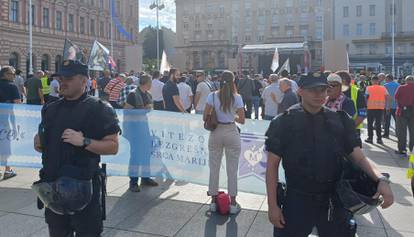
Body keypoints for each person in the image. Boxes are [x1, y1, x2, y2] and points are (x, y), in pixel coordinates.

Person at [265, 73, 394, 237]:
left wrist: (381, 179)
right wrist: (272, 205)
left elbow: (359, 157)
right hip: (297, 199)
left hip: (333, 199)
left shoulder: (340, 120)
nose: (319, 95)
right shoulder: (283, 122)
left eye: (323, 89)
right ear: (301, 91)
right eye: (313, 90)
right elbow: (272, 166)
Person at [33, 60, 121, 236]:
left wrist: (85, 142)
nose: (62, 82)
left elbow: (113, 146)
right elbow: (41, 143)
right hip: (53, 191)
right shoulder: (50, 108)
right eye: (60, 77)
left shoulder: (99, 109)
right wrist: (40, 142)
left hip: (84, 191)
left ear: (83, 80)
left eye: (69, 78)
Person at [203, 70, 245, 214]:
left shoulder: (212, 96)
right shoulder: (237, 97)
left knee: (214, 168)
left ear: (221, 80)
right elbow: (243, 120)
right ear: (233, 81)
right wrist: (232, 116)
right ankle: (233, 204)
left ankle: (213, 202)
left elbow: (204, 116)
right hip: (231, 131)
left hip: (216, 132)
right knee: (232, 170)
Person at [124, 75, 159, 191]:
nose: (151, 85)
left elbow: (149, 111)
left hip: (144, 128)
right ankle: (133, 182)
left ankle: (145, 177)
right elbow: (127, 112)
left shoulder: (148, 95)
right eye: (150, 83)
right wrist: (144, 109)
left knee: (146, 153)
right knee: (135, 155)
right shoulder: (133, 94)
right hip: (134, 129)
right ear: (147, 83)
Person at [0, 66, 20, 180]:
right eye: (12, 73)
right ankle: (7, 171)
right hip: (6, 121)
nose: (14, 75)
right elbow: (17, 106)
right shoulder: (12, 87)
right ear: (5, 74)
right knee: (6, 146)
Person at [337, 71, 367, 147]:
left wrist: (351, 126)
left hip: (353, 128)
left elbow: (363, 113)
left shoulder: (356, 91)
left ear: (343, 81)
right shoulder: (332, 91)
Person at [365, 75, 391, 145]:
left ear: (372, 81)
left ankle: (370, 138)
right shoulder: (383, 88)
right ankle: (379, 139)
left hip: (370, 108)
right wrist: (388, 107)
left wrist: (364, 106)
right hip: (380, 108)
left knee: (370, 124)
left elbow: (366, 97)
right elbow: (388, 97)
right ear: (378, 81)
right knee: (378, 124)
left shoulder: (368, 88)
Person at [395, 75, 414, 155]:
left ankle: (402, 149)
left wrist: (399, 105)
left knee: (401, 131)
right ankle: (412, 149)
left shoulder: (401, 87)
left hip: (402, 111)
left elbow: (396, 98)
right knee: (412, 131)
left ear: (406, 80)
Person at [383, 74, 399, 139]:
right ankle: (398, 133)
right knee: (397, 121)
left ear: (388, 78)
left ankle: (386, 134)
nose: (385, 80)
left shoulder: (385, 86)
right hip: (396, 106)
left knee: (387, 121)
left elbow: (383, 96)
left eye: (386, 79)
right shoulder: (398, 85)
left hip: (387, 106)